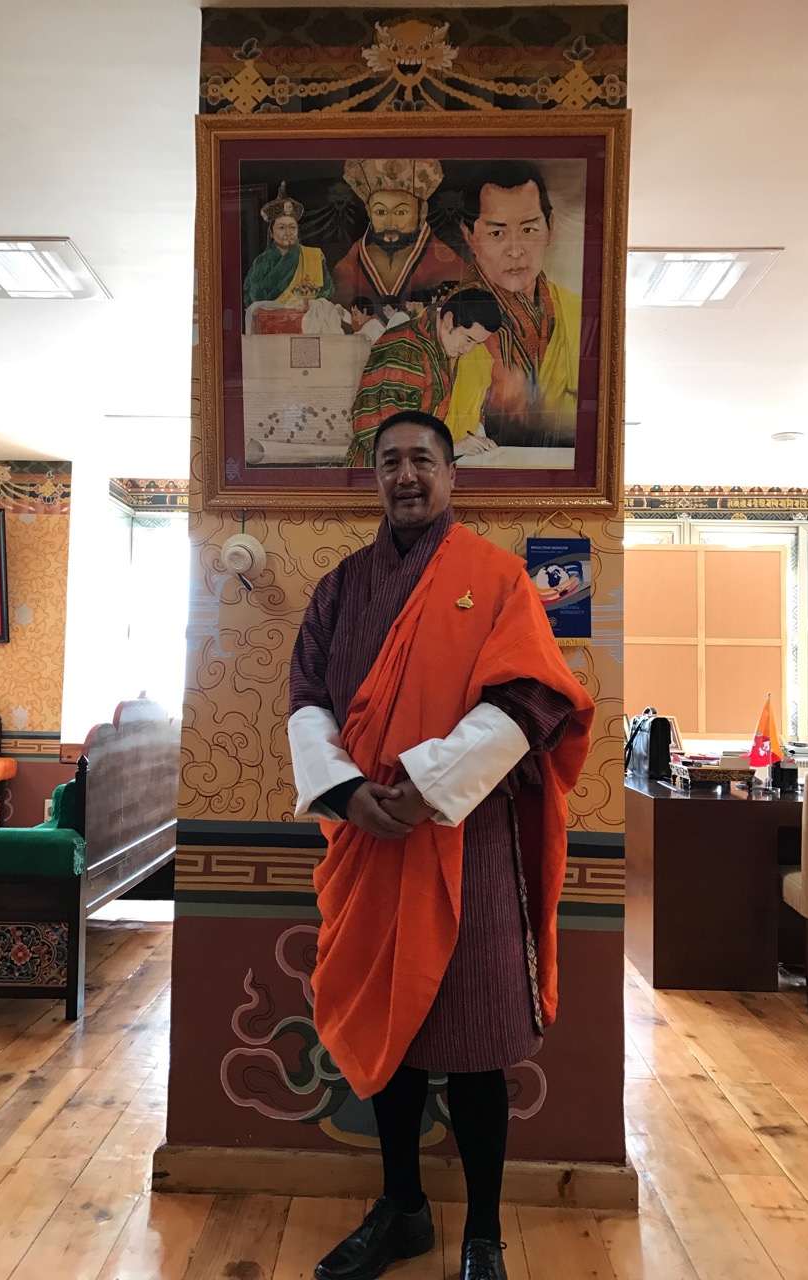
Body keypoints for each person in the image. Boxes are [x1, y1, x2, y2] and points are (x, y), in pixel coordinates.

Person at [288, 410, 594, 1280]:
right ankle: (403, 1210)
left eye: (423, 459)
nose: (406, 475)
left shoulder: (495, 579)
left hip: (467, 840)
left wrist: (429, 784)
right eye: (390, 462)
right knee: (382, 1036)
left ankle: (485, 1234)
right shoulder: (341, 589)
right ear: (375, 477)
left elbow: (537, 698)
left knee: (474, 1048)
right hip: (369, 841)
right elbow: (306, 693)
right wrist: (348, 791)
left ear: (452, 476)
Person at [447, 161, 581, 450]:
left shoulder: (574, 310)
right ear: (469, 235)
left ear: (551, 227)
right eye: (497, 233)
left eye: (529, 230)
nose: (516, 250)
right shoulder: (448, 320)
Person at [346, 289, 503, 465]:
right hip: (380, 470)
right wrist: (454, 448)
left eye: (477, 343)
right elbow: (392, 435)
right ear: (450, 320)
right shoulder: (405, 348)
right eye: (468, 339)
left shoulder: (439, 344)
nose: (469, 350)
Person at [334, 158, 464, 308]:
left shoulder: (448, 265)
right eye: (380, 212)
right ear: (369, 213)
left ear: (422, 212)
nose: (390, 224)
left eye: (401, 212)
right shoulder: (348, 267)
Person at [243, 182, 334, 308]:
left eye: (292, 227)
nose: (288, 233)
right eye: (281, 227)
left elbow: (327, 292)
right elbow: (251, 297)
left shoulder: (313, 257)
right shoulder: (261, 262)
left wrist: (307, 303)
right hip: (270, 322)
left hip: (306, 321)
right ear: (271, 232)